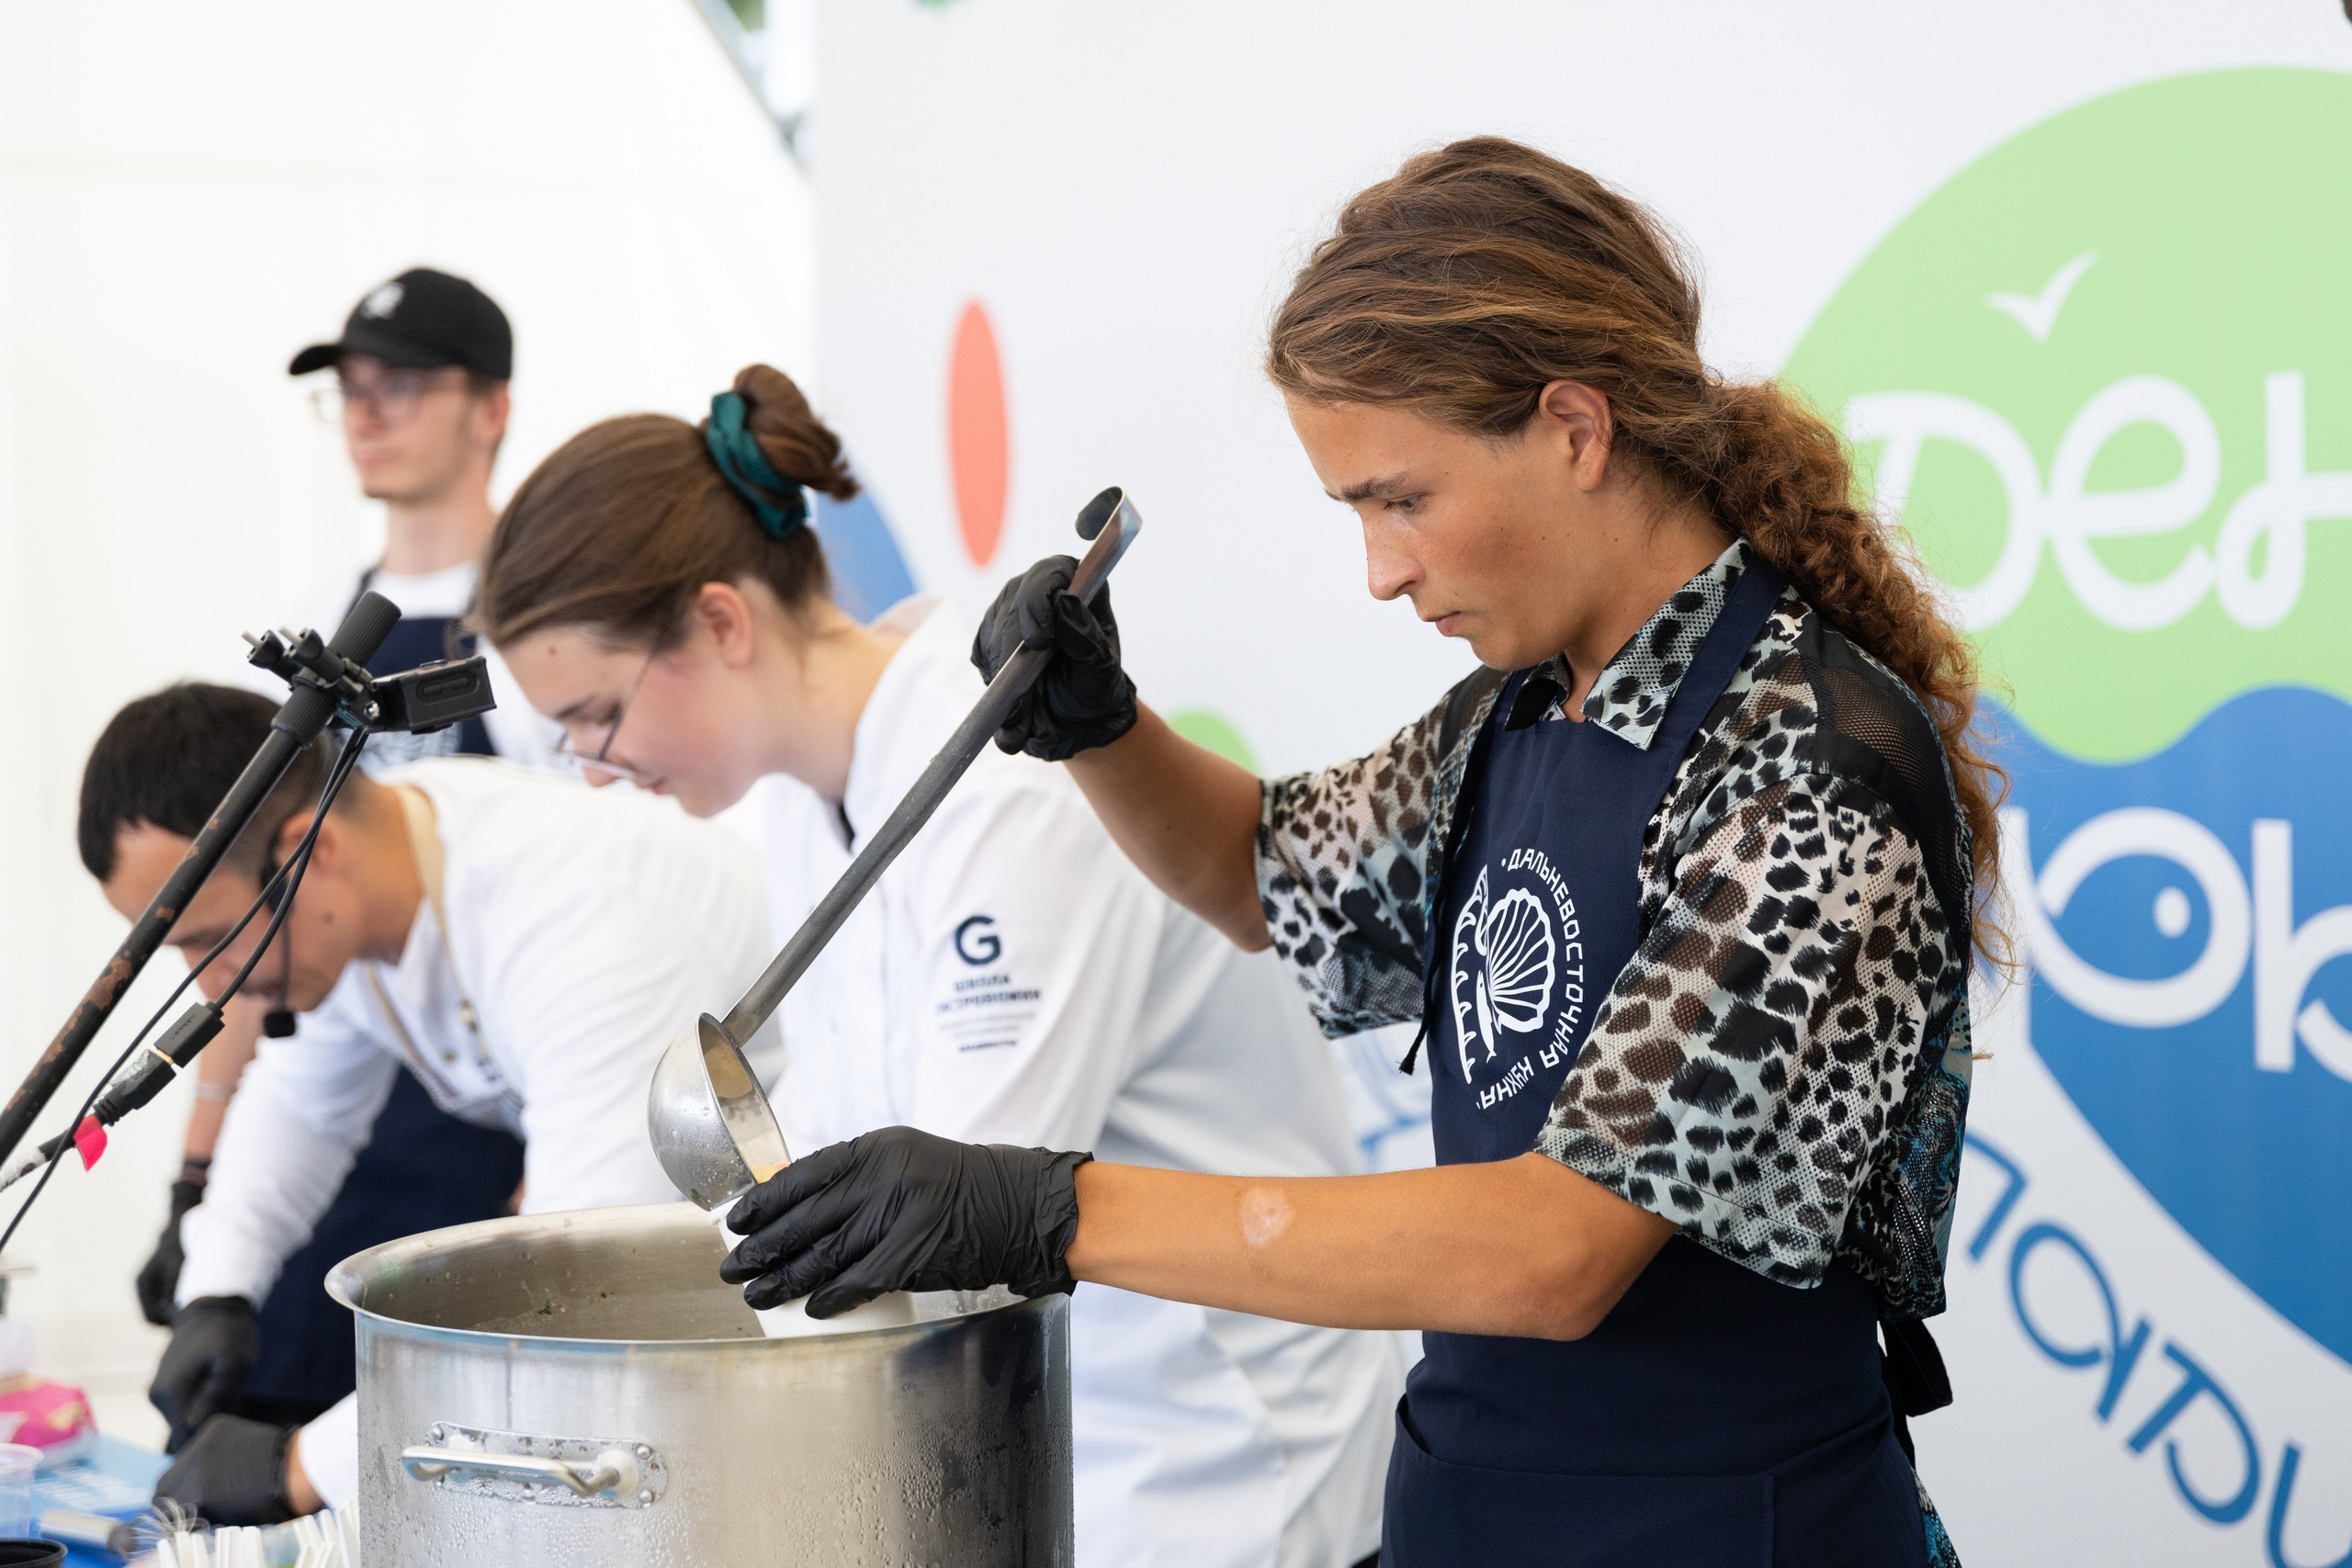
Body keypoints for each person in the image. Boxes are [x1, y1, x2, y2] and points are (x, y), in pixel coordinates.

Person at [713, 139, 2001, 1567]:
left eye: (1403, 498)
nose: (1382, 571)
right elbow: (1263, 872)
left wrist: (1047, 1207)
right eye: (1358, 513)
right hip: (1475, 1504)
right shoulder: (1522, 710)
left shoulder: (1813, 777)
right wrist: (1099, 726)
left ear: (1576, 428)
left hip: (1723, 1523)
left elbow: (1552, 1249)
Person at [473, 366, 1402, 1568]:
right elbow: (841, 1144)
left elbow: (957, 1220)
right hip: (1045, 1443)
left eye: (597, 714)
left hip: (1218, 1463)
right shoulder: (818, 799)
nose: (596, 766)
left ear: (719, 620)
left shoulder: (1004, 775)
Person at [79, 683, 778, 1524]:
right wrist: (216, 1291)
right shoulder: (365, 885)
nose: (207, 982)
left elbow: (569, 1292)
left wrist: (296, 1465)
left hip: (793, 1290)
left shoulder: (583, 920)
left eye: (208, 941)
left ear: (309, 850)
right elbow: (302, 1102)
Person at [133, 267, 559, 1436]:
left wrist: (561, 1196)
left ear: (493, 408)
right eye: (351, 389)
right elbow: (239, 927)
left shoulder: (541, 640)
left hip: (493, 1153)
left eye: (404, 385)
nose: (368, 413)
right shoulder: (316, 624)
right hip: (325, 1104)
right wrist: (198, 1177)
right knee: (231, 1432)